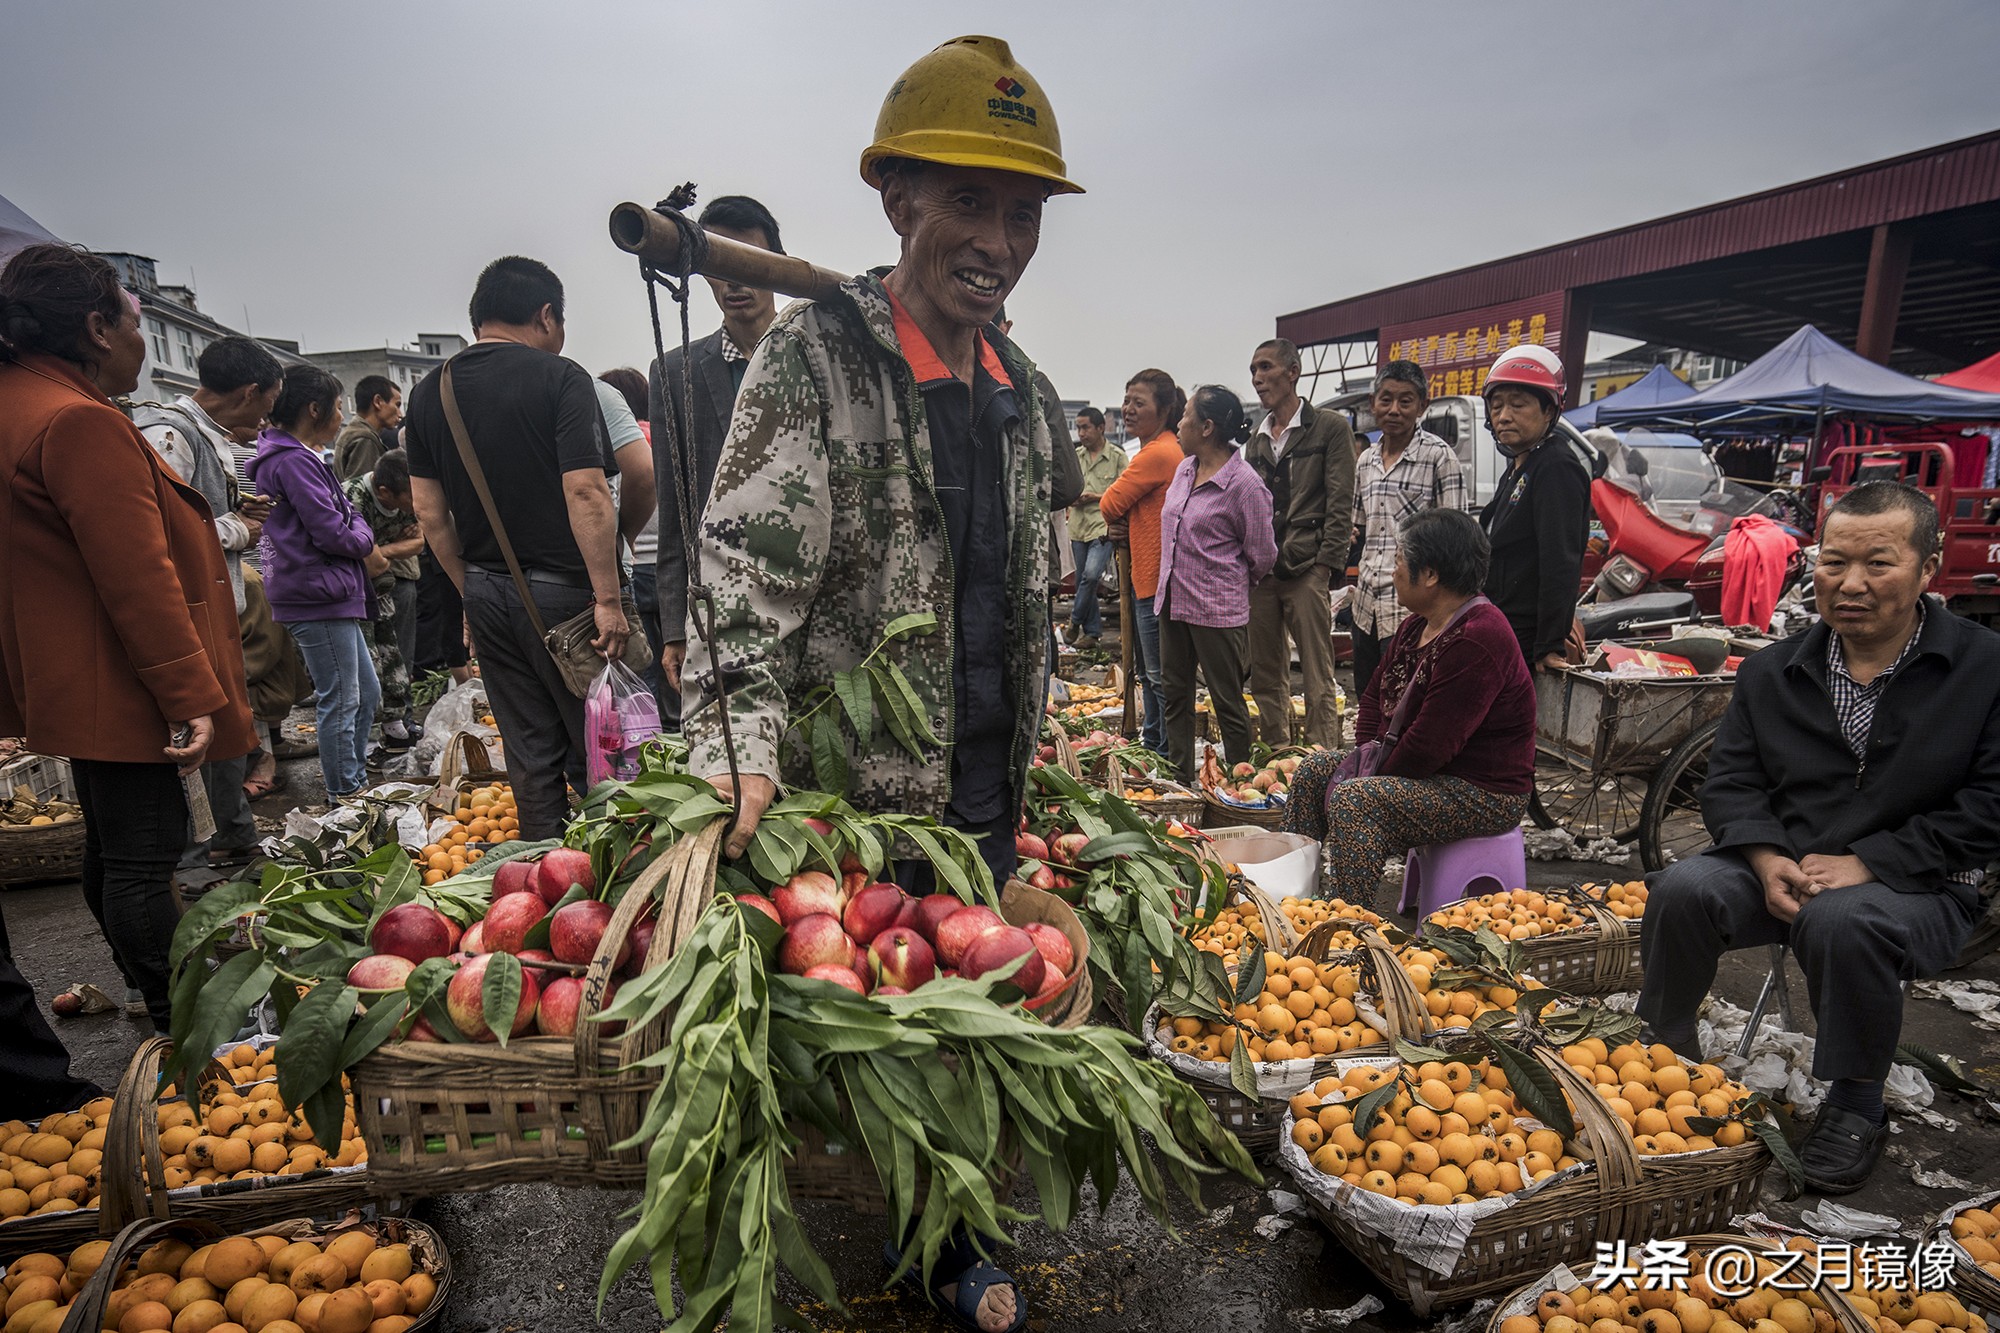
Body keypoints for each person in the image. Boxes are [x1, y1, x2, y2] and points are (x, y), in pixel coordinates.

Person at [682, 36, 1082, 1331]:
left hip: (974, 777)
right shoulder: (818, 362)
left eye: (1022, 212)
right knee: (855, 1016)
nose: (1001, 239)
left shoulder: (1026, 393)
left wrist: (1047, 733)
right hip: (844, 787)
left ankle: (941, 1230)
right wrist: (739, 745)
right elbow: (741, 573)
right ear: (897, 197)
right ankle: (879, 1229)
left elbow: (1028, 593)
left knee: (955, 1012)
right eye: (970, 202)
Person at [1637, 483, 1998, 1195]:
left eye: (1879, 563)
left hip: (1922, 883)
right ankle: (1663, 1055)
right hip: (1789, 862)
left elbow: (1991, 805)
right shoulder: (1776, 669)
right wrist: (1767, 857)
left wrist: (1870, 862)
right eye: (1834, 562)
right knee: (1684, 886)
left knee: (1844, 917)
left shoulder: (1983, 668)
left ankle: (1856, 1101)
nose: (1851, 583)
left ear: (1928, 569)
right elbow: (1731, 783)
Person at [0, 244, 256, 1035]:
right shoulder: (78, 420)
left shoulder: (21, 401)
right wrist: (187, 693)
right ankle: (184, 1015)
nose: (144, 342)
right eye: (136, 320)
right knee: (145, 858)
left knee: (115, 849)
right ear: (97, 327)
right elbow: (134, 575)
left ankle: (160, 997)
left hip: (67, 668)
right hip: (119, 672)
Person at [405, 257, 654, 839]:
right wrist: (609, 599)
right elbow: (587, 491)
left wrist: (472, 590)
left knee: (528, 751)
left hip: (487, 589)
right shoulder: (562, 378)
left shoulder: (428, 393)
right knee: (603, 747)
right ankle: (617, 873)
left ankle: (550, 875)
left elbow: (429, 514)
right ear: (546, 315)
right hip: (570, 595)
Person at [1283, 508, 1535, 908]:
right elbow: (1372, 697)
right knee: (1313, 771)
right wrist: (1366, 757)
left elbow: (1429, 747)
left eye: (1400, 561)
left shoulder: (1478, 638)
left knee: (1357, 800)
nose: (1394, 571)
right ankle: (1296, 899)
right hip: (1422, 772)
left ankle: (1346, 925)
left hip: (1481, 792)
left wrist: (1366, 780)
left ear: (1430, 574)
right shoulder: (1416, 625)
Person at [133, 335, 284, 868]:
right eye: (266, 407)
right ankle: (201, 851)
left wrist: (234, 510)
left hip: (215, 607)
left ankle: (234, 835)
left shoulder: (202, 434)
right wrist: (236, 527)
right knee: (201, 733)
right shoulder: (170, 434)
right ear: (248, 393)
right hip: (189, 611)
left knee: (226, 726)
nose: (266, 422)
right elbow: (157, 531)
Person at [650, 195, 784, 728]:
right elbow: (674, 505)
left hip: (809, 587)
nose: (734, 282)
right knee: (730, 736)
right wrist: (674, 628)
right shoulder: (676, 370)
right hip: (719, 597)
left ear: (775, 261)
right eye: (717, 267)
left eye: (747, 262)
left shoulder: (817, 356)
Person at [249, 366, 383, 800]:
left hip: (320, 590)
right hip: (317, 594)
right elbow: (336, 530)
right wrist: (364, 536)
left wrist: (353, 519)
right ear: (314, 409)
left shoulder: (294, 456)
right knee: (342, 698)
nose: (341, 416)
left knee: (364, 693)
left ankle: (353, 776)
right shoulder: (295, 461)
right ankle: (346, 792)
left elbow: (344, 510)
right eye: (339, 407)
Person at [1156, 386, 1276, 782]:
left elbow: (1261, 553)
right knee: (1175, 694)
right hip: (1172, 600)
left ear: (1207, 427)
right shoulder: (1185, 469)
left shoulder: (1245, 485)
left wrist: (1232, 584)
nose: (1178, 423)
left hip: (1216, 609)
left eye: (1186, 416)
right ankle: (1179, 779)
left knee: (1227, 702)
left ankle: (1242, 783)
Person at [1243, 338, 1354, 750]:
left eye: (1266, 367)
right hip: (1262, 572)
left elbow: (1341, 500)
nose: (1258, 378)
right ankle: (1277, 756)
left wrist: (1326, 565)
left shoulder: (1329, 427)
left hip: (1307, 568)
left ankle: (1319, 757)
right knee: (1266, 673)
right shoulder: (1255, 442)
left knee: (1317, 672)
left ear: (1293, 372)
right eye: (1253, 370)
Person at [1350, 359, 1468, 694]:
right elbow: (1358, 524)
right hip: (1366, 606)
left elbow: (1456, 540)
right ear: (1373, 403)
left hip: (1410, 609)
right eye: (1386, 400)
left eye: (1406, 401)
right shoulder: (1365, 461)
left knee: (1405, 703)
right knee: (1368, 698)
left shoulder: (1440, 458)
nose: (1394, 409)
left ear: (1422, 406)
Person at [1477, 344, 1590, 671]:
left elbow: (1561, 560)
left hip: (1526, 638)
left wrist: (1549, 645)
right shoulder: (1519, 466)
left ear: (1549, 411)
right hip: (1500, 625)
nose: (1503, 415)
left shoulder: (1556, 467)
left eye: (1518, 404)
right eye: (1496, 406)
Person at [1099, 369, 1186, 755]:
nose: (1128, 410)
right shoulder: (1158, 449)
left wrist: (1121, 518)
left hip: (1155, 579)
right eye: (1127, 400)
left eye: (1139, 403)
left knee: (1158, 675)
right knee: (1154, 676)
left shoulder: (1159, 452)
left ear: (1164, 410)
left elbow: (1109, 503)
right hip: (1148, 575)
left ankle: (1162, 752)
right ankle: (1154, 747)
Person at [343, 450, 427, 763]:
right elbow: (364, 561)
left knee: (395, 662)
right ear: (384, 493)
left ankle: (395, 729)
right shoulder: (353, 498)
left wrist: (381, 550)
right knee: (367, 671)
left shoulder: (409, 497)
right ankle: (360, 748)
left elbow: (419, 542)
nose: (416, 505)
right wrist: (380, 554)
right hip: (353, 596)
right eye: (410, 498)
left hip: (386, 591)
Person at [1066, 406, 1125, 648]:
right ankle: (1091, 633)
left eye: (1085, 427)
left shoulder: (1117, 457)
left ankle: (1075, 621)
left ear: (1100, 428)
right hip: (1078, 526)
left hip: (1102, 526)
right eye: (1078, 427)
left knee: (1091, 576)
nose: (1081, 432)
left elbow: (1124, 493)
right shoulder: (1075, 457)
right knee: (1082, 579)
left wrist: (1096, 497)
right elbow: (1064, 489)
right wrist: (1073, 497)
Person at [332, 374, 403, 480]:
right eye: (397, 405)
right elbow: (360, 493)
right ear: (378, 402)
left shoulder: (353, 431)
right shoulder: (364, 439)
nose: (400, 414)